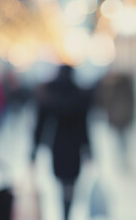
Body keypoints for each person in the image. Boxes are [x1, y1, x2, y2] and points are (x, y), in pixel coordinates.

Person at [32, 64, 93, 220]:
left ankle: (64, 210)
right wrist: (88, 150)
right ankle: (66, 211)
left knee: (61, 180)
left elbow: (40, 124)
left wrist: (34, 149)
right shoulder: (79, 95)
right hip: (74, 146)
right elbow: (84, 126)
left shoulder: (49, 94)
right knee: (70, 182)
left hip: (57, 145)